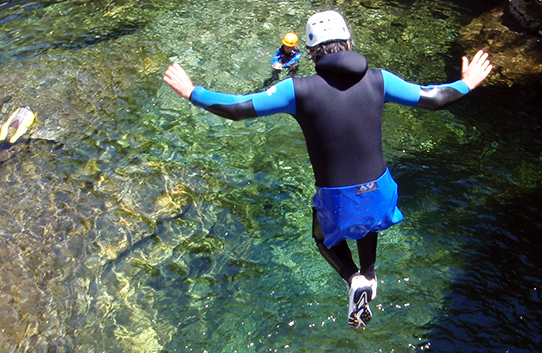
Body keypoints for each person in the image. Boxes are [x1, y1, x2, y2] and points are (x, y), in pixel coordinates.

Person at [163, 10, 492, 329]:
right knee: (367, 220)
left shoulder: (298, 90)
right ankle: (371, 274)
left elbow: (237, 108)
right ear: (349, 44)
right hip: (382, 193)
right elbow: (433, 97)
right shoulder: (380, 79)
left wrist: (193, 92)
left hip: (338, 203)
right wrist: (467, 83)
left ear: (309, 54)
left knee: (322, 239)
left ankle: (353, 279)